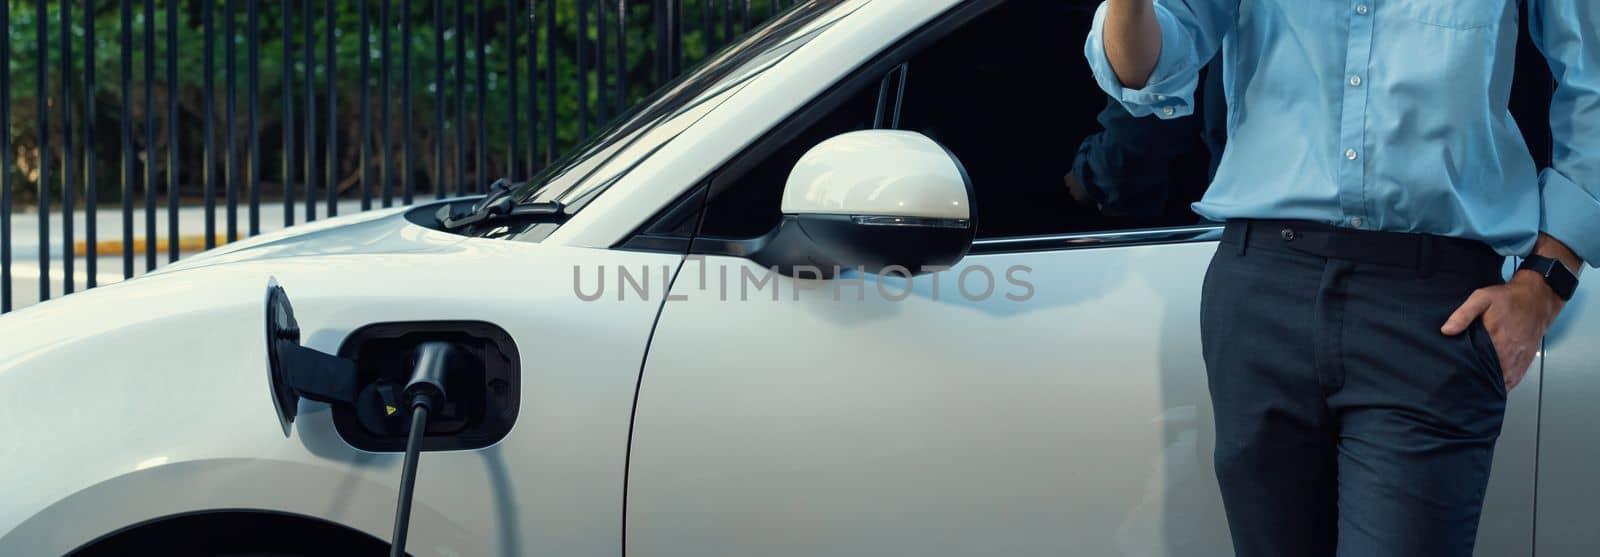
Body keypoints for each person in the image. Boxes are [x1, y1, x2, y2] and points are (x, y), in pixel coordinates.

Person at [1086, 1, 1596, 556]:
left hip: (1431, 311)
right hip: (1261, 292)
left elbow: (1592, 78)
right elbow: (1141, 73)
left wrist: (1549, 278)